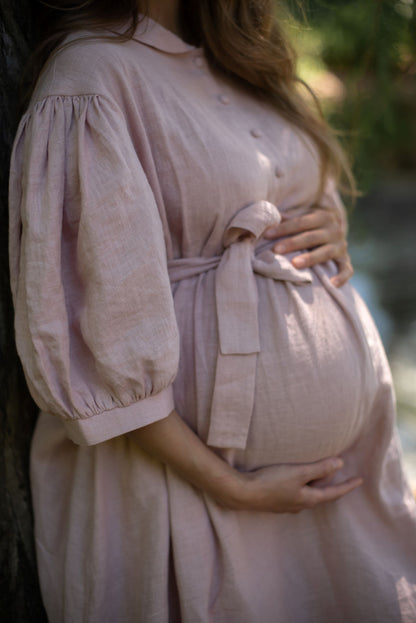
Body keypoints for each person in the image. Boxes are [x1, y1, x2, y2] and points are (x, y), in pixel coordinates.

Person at [8, 1, 416, 621]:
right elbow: (94, 329)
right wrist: (233, 486)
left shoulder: (246, 58)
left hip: (338, 494)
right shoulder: (91, 77)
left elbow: (303, 193)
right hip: (188, 486)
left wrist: (331, 226)